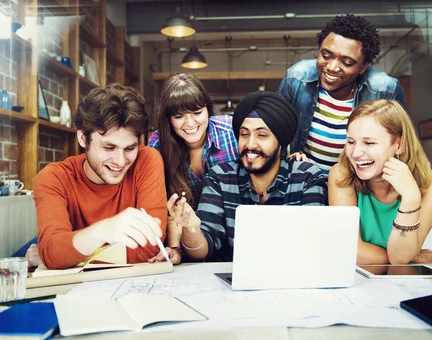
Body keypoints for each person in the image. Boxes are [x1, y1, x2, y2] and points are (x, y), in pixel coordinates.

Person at [163, 91, 327, 262]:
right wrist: (192, 229)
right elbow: (201, 251)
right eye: (244, 134)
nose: (250, 144)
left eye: (262, 135)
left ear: (281, 141)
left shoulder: (306, 177)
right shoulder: (220, 177)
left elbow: (314, 246)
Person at [30, 83, 180, 269]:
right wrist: (104, 231)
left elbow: (148, 248)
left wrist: (69, 255)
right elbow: (53, 252)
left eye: (130, 148)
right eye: (109, 147)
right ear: (83, 138)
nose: (120, 161)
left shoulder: (147, 160)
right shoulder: (53, 178)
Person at [278, 14, 407, 178]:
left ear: (363, 66)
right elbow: (275, 134)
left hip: (356, 183)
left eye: (346, 63)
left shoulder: (384, 89)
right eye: (326, 55)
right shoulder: (297, 78)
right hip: (305, 181)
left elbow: (403, 145)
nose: (332, 67)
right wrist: (286, 164)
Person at [328, 99, 432, 265]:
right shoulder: (342, 174)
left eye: (369, 143)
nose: (355, 153)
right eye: (351, 142)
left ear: (399, 144)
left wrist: (411, 197)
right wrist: (411, 258)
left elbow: (401, 258)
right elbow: (350, 250)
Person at [147, 73, 239, 253]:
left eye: (197, 112)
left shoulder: (232, 132)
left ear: (208, 110)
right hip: (188, 242)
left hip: (235, 235)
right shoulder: (158, 145)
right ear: (168, 118)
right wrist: (174, 248)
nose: (190, 123)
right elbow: (168, 206)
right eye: (179, 116)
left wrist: (293, 160)